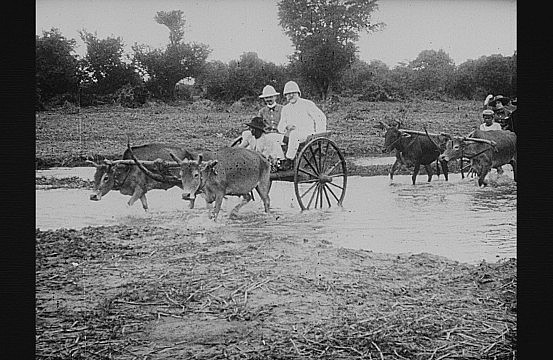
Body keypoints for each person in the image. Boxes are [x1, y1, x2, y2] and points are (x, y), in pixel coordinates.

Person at [278, 81, 327, 163]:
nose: (291, 95)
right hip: (290, 135)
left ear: (298, 93)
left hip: (307, 134)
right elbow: (280, 126)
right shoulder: (285, 108)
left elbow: (320, 118)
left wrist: (319, 134)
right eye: (288, 94)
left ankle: (289, 159)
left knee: (294, 135)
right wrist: (286, 126)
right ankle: (278, 162)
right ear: (285, 96)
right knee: (274, 139)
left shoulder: (307, 104)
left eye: (293, 93)